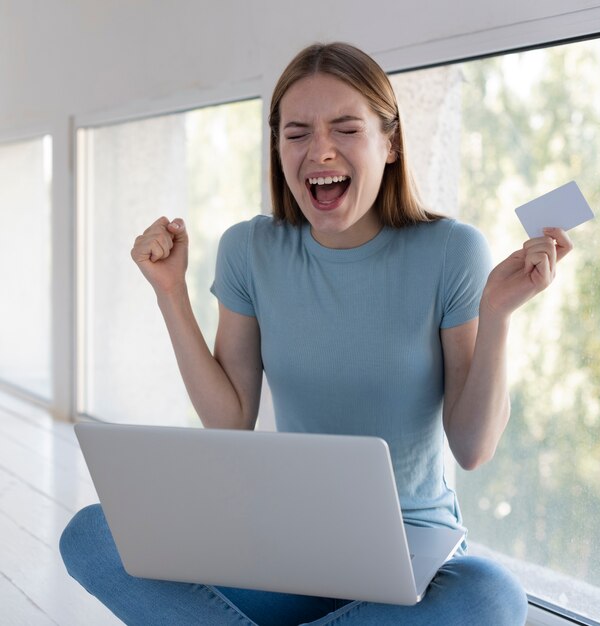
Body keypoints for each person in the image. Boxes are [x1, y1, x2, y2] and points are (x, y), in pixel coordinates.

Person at [60, 42, 573, 625]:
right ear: (277, 147)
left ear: (391, 141)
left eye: (346, 128)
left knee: (491, 596)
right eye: (297, 133)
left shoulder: (452, 251)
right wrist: (170, 293)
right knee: (93, 534)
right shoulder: (249, 249)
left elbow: (473, 449)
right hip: (288, 546)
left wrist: (498, 315)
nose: (319, 150)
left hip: (414, 555)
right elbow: (230, 421)